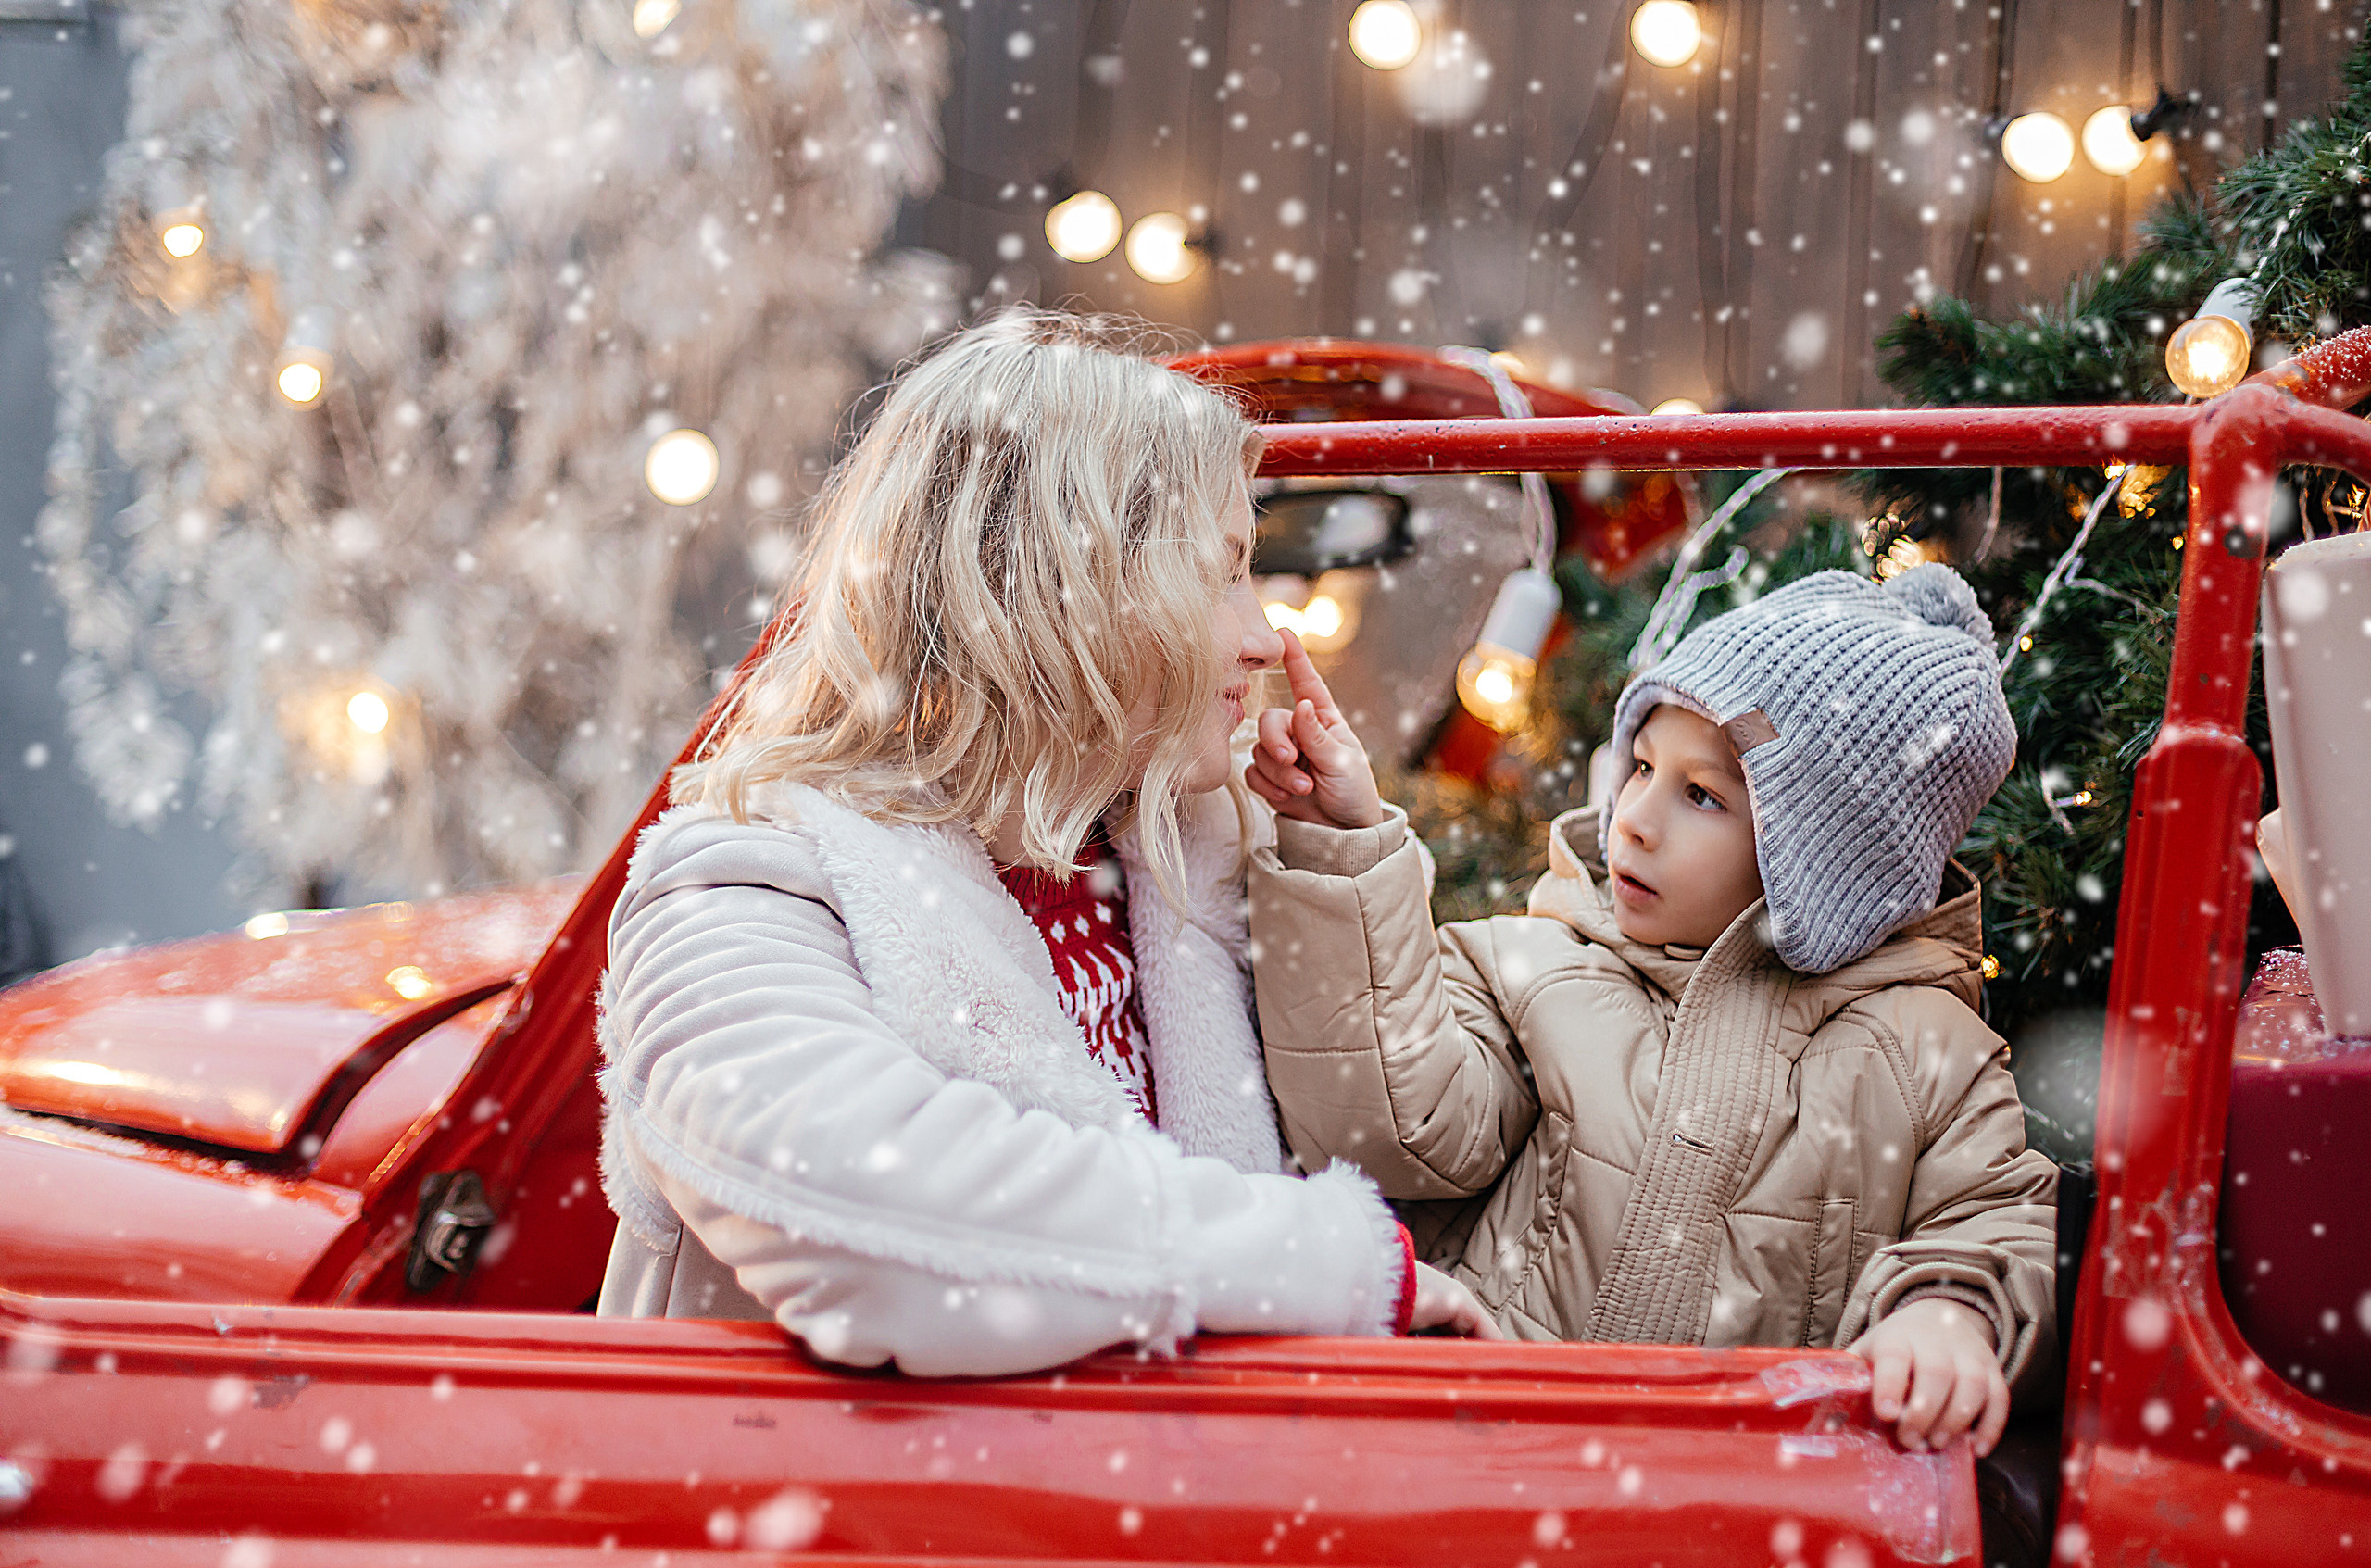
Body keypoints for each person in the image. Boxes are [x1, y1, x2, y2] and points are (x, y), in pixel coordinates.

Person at [596, 309, 1496, 1376]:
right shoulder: (742, 883)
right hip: (862, 1534)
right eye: (1219, 576)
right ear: (1055, 598)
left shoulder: (1193, 859)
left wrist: (1336, 855)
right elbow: (872, 1222)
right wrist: (1333, 1267)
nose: (1267, 637)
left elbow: (1415, 1119)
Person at [1243, 562, 2056, 1457]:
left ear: (1826, 863)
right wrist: (1343, 848)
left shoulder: (1928, 1054)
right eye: (1640, 765)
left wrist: (1948, 1315)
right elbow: (1387, 1123)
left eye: (1701, 794)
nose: (1631, 816)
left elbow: (1989, 1220)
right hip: (1485, 1457)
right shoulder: (1538, 967)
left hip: (1740, 1509)